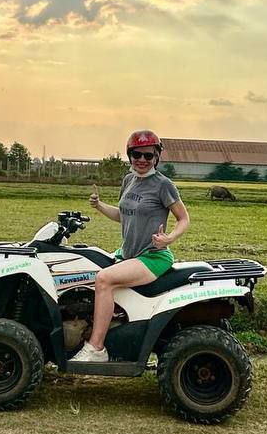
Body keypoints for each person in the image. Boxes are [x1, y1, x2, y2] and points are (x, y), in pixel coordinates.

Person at [71, 130, 190, 363]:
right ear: (129, 155)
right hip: (126, 254)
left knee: (104, 279)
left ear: (156, 156)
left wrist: (169, 238)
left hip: (152, 256)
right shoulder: (128, 180)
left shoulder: (163, 185)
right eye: (137, 154)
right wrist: (99, 206)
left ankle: (96, 348)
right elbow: (124, 215)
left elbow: (184, 218)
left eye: (148, 155)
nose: (142, 160)